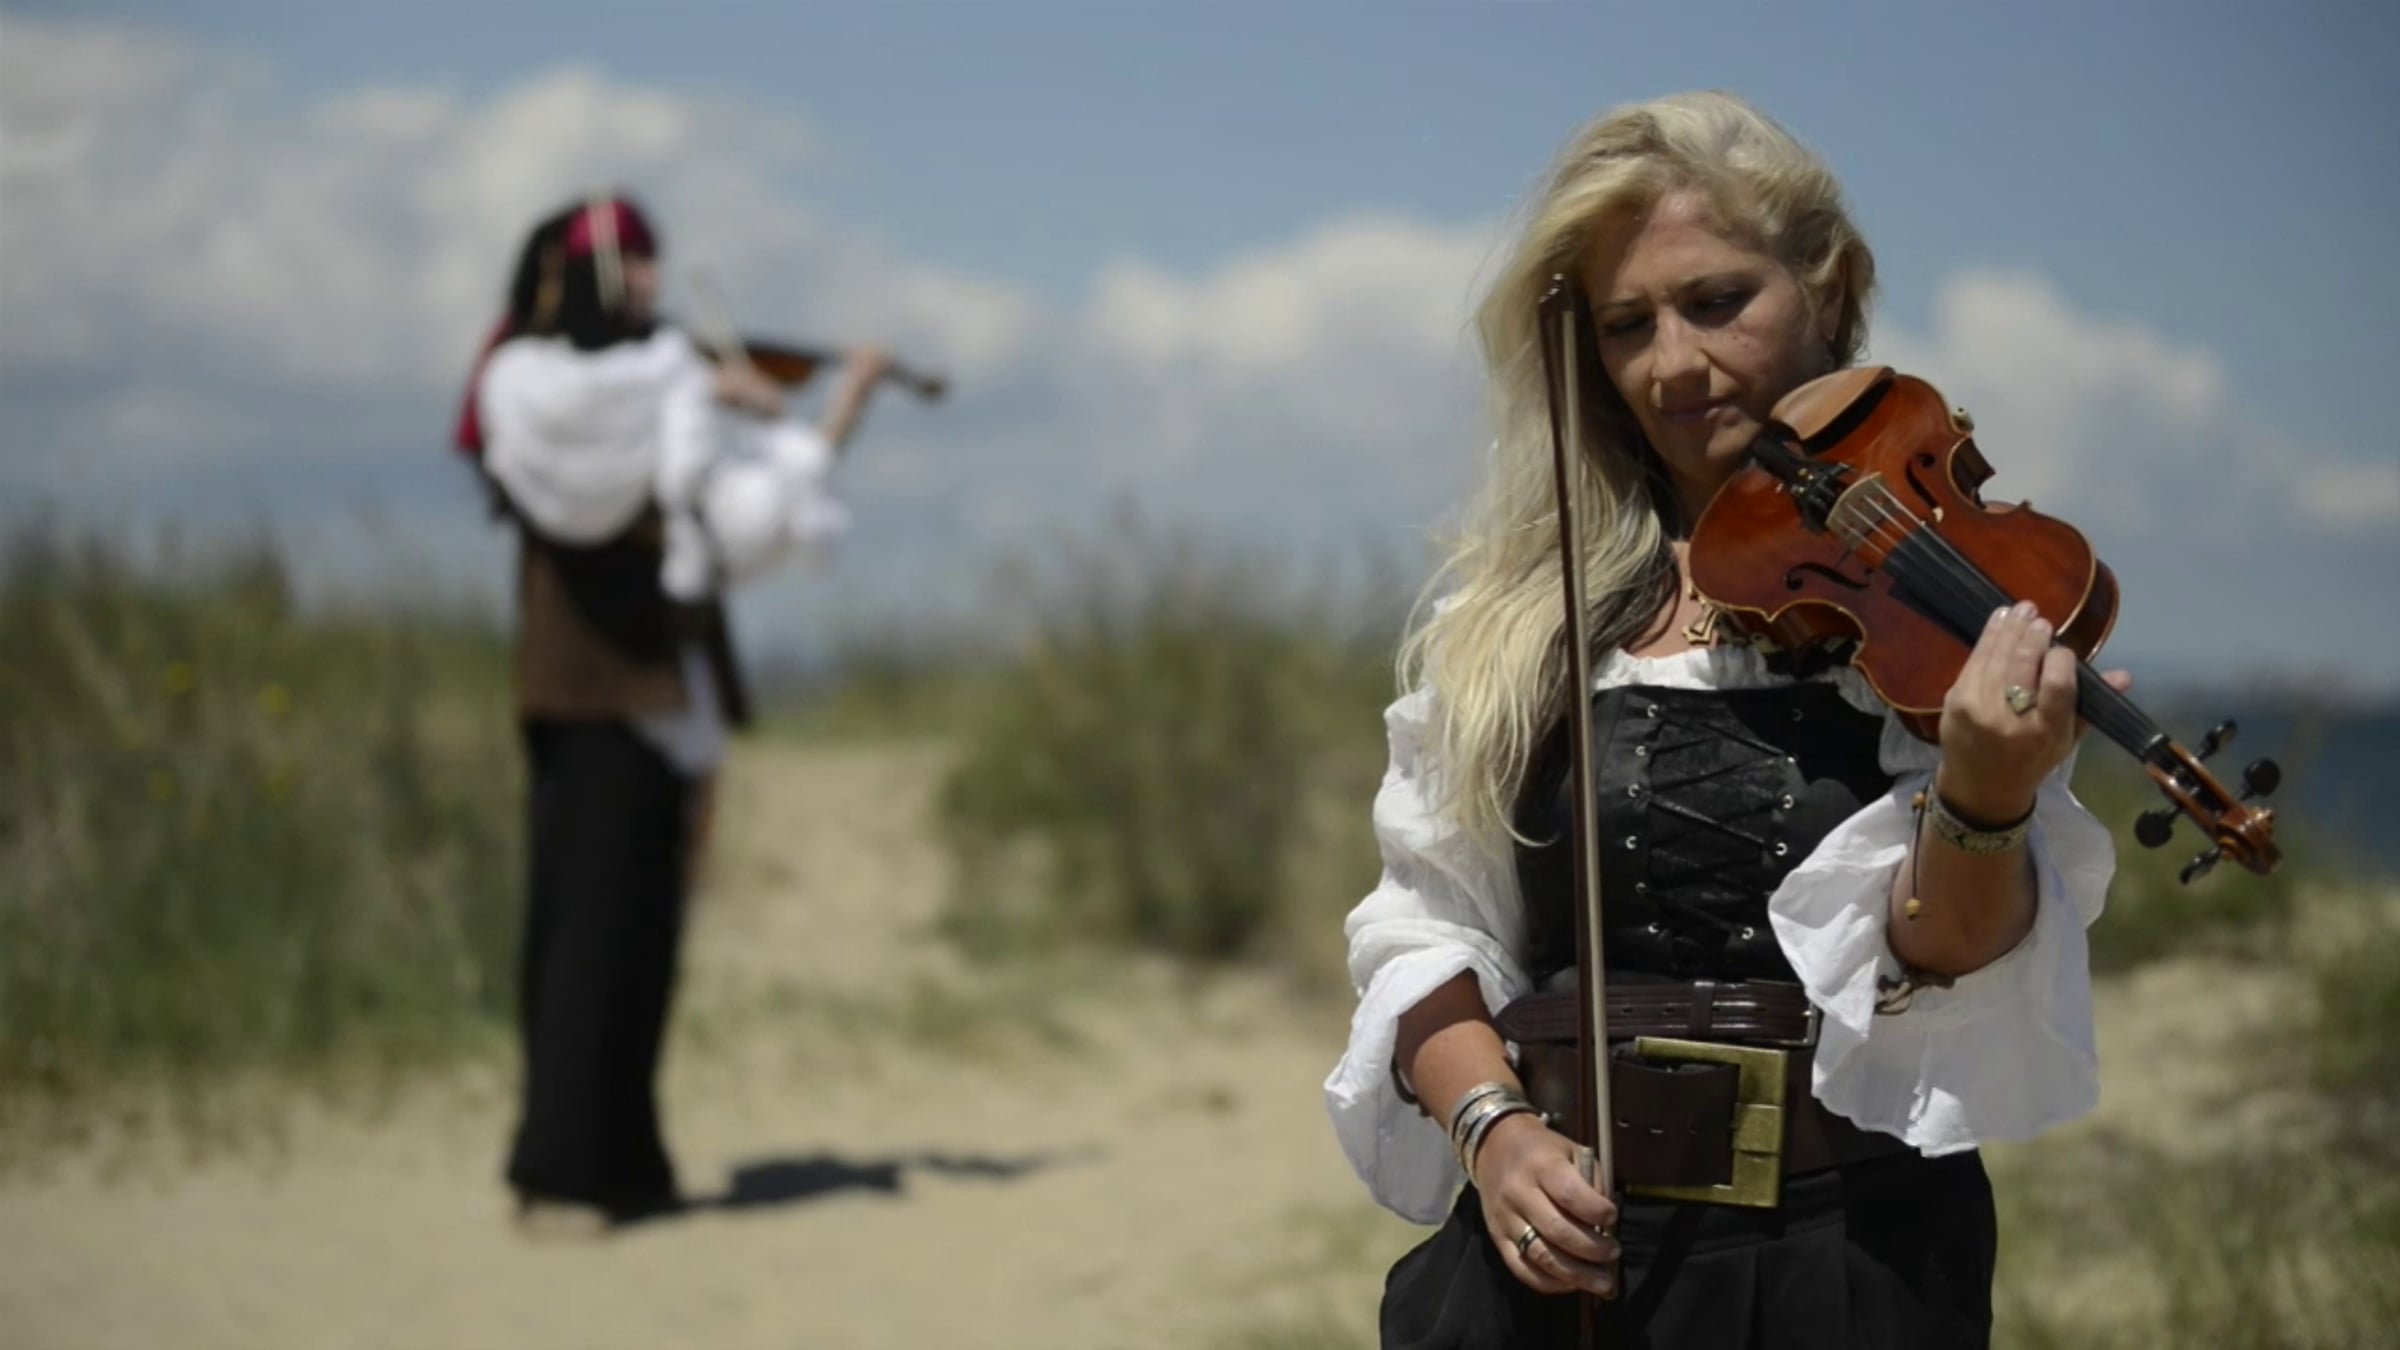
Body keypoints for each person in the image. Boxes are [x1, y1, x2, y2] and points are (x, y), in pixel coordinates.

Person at [1324, 92, 2126, 1347]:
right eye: (1627, 325)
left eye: (1716, 302)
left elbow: (1948, 969)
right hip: (1560, 1268)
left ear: (1827, 288)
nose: (1674, 366)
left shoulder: (1936, 612)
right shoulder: (1519, 621)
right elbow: (1425, 930)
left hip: (1847, 1259)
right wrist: (1494, 1131)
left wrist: (1986, 796)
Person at [452, 192, 893, 1233]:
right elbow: (618, 433)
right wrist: (709, 386)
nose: (654, 284)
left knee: (639, 941)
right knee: (583, 938)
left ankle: (620, 1162)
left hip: (656, 692)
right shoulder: (543, 381)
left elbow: (744, 521)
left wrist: (824, 409)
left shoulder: (659, 387)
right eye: (637, 264)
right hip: (584, 688)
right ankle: (558, 1170)